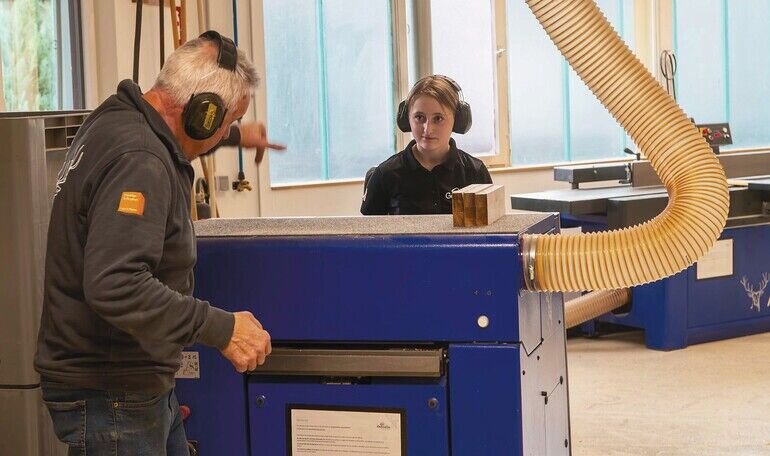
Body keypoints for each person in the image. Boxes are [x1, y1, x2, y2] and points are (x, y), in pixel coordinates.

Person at [34, 31, 280, 455]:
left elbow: (174, 129)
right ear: (203, 114)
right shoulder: (140, 160)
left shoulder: (116, 118)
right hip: (114, 395)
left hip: (132, 385)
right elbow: (116, 284)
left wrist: (238, 136)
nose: (225, 132)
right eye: (227, 122)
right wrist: (221, 328)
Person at [360, 75, 492, 215]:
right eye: (419, 117)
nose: (428, 129)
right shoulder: (385, 174)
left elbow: (490, 226)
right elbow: (369, 228)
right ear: (407, 119)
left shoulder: (475, 172)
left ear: (457, 121)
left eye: (438, 118)